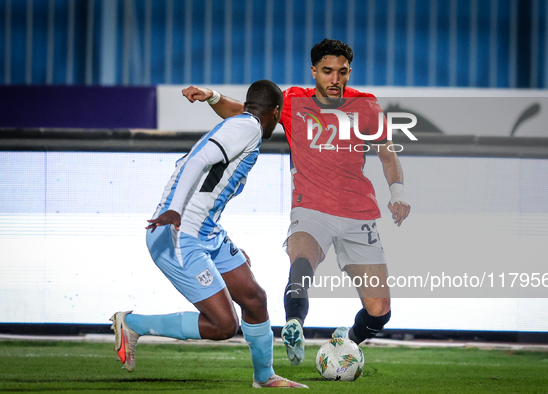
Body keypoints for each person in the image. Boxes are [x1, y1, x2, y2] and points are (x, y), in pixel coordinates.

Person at [182, 39, 411, 366]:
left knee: (379, 312)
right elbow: (242, 113)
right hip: (311, 207)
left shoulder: (366, 107)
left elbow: (388, 154)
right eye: (328, 71)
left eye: (342, 72)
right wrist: (213, 97)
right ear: (314, 71)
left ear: (350, 72)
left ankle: (344, 343)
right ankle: (294, 325)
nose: (335, 79)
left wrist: (398, 194)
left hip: (358, 212)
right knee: (301, 261)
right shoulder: (293, 102)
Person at [110, 80, 307, 389]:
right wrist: (174, 210)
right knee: (224, 324)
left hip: (204, 230)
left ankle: (264, 377)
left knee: (255, 299)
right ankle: (133, 324)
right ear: (275, 112)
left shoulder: (242, 123)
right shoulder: (250, 128)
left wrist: (212, 96)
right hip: (178, 231)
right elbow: (196, 160)